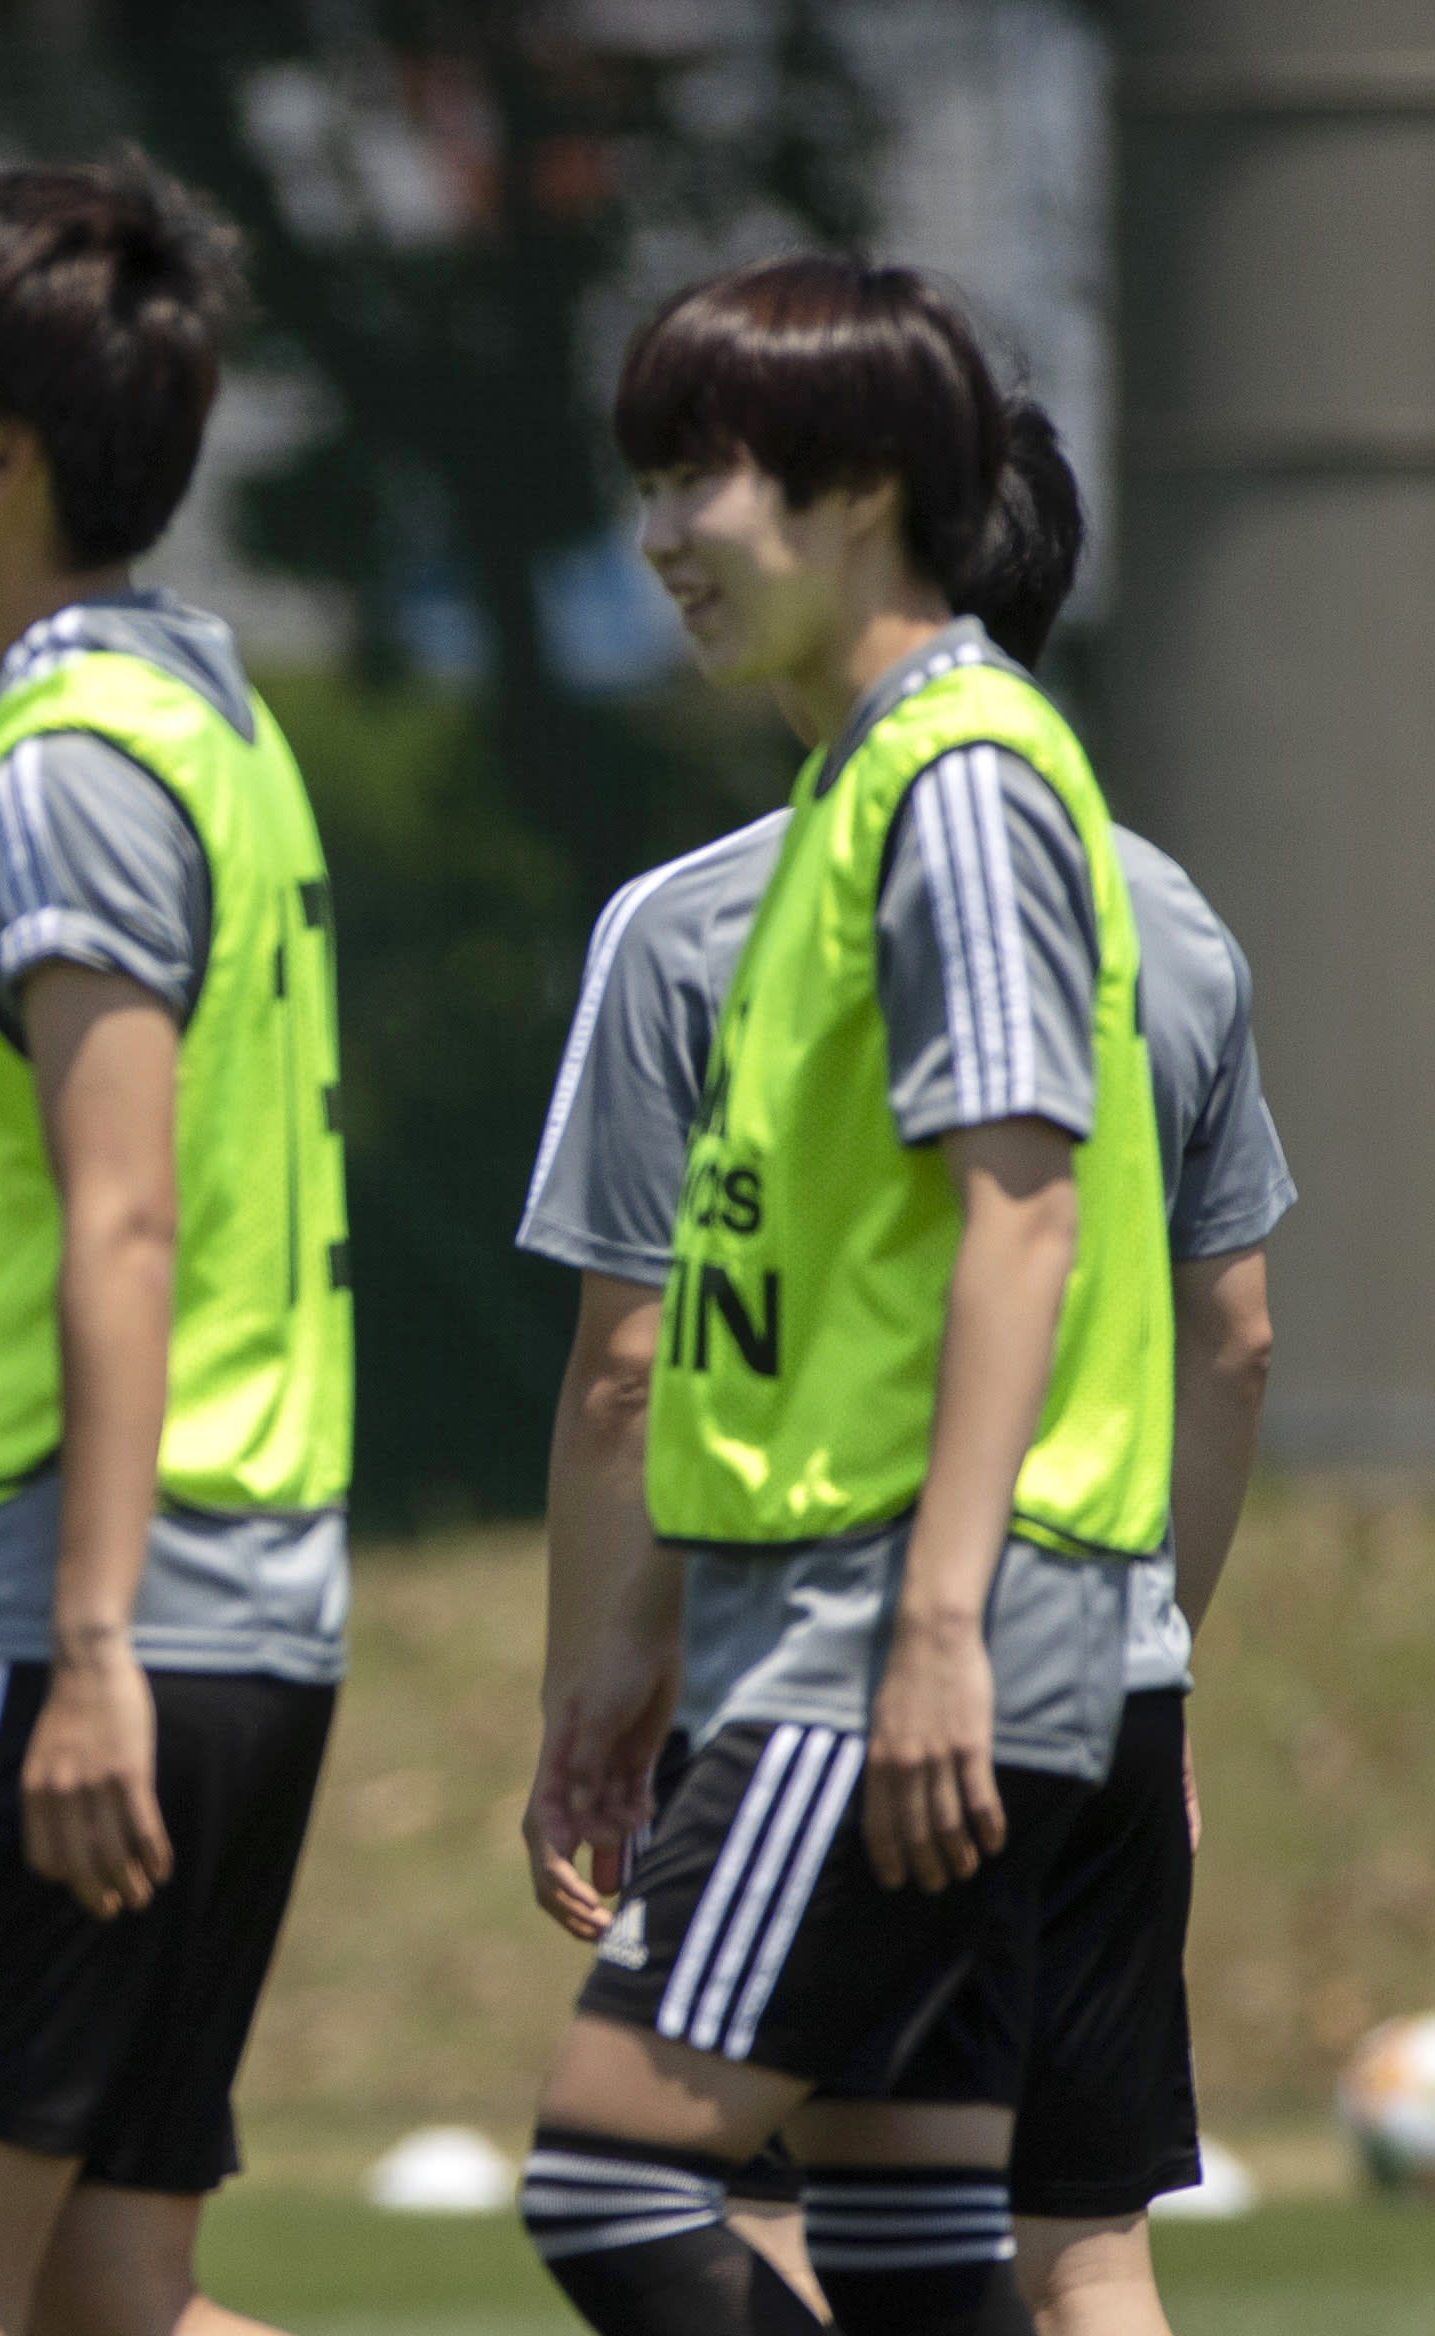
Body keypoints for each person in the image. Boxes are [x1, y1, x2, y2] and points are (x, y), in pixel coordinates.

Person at [516, 399, 1290, 2336]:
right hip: (1106, 1657)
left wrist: (602, 1681)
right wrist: (1147, 1660)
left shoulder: (713, 917)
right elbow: (1236, 1338)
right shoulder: (1176, 922)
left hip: (858, 1643)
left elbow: (634, 1369)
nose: (676, 540)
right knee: (1058, 2238)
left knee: (665, 2190)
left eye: (707, 495)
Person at [0, 153, 350, 2336]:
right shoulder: (208, 719)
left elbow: (121, 1217)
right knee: (116, 2294)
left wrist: (74, 1639)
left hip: (92, 1615)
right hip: (204, 1608)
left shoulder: (68, 762)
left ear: (0, 448)